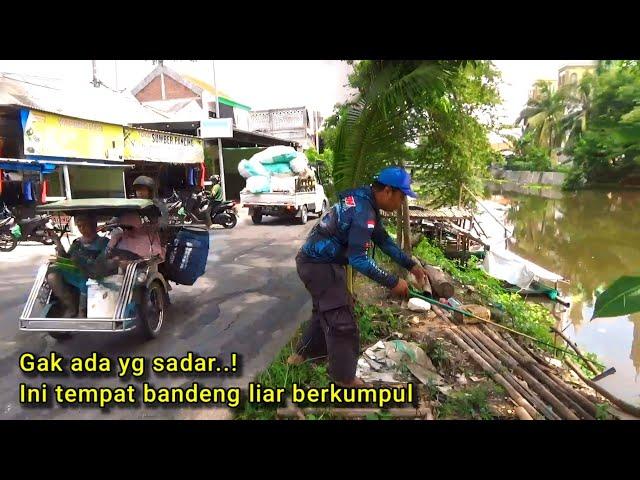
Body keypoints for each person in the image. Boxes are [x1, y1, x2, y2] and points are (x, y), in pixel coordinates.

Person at [289, 166, 428, 387]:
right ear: (388, 191)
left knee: (324, 311)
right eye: (402, 197)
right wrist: (393, 282)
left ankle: (302, 356)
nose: (402, 203)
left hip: (319, 262)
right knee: (342, 322)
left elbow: (383, 241)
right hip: (318, 265)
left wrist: (410, 265)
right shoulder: (363, 211)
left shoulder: (365, 201)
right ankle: (344, 379)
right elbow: (359, 259)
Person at [46, 214, 109, 317]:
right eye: (79, 226)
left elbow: (103, 262)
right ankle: (69, 305)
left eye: (85, 225)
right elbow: (66, 258)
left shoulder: (104, 242)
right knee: (52, 273)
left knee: (86, 281)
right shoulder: (77, 243)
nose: (82, 229)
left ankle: (82, 311)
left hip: (93, 274)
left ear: (93, 225)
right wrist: (57, 241)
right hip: (75, 273)